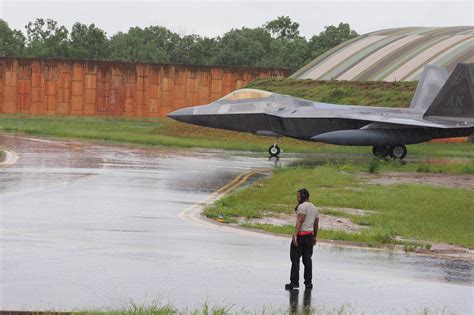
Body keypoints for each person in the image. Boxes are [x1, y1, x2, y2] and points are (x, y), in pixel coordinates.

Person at [285, 188, 319, 290]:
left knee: (295, 260)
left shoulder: (302, 207)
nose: (297, 198)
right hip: (309, 236)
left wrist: (295, 235)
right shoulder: (314, 208)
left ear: (303, 197)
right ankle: (308, 283)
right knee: (307, 260)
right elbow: (316, 224)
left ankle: (294, 282)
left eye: (298, 196)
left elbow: (300, 220)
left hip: (301, 236)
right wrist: (314, 236)